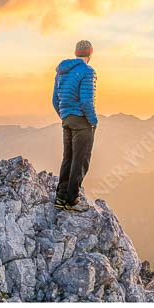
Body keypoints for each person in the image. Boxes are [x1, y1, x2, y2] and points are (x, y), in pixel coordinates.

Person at [52, 39, 99, 210]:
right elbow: (87, 101)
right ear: (90, 54)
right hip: (82, 121)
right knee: (80, 160)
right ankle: (72, 200)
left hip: (67, 119)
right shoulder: (88, 71)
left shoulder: (61, 72)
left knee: (68, 158)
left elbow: (55, 100)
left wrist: (65, 116)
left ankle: (60, 197)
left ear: (75, 53)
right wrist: (93, 121)